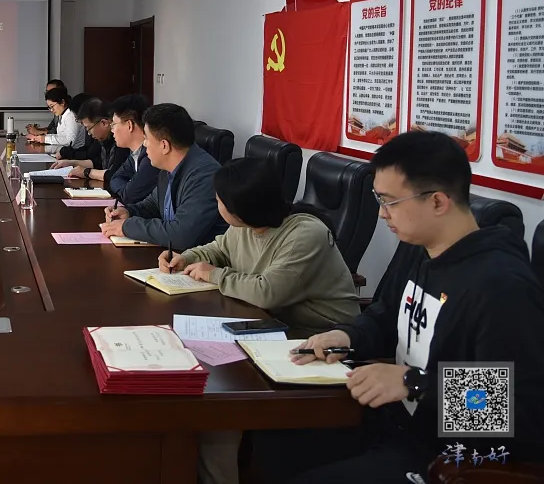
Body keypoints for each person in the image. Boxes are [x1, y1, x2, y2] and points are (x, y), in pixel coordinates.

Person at [257, 131, 544, 484]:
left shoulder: (501, 286)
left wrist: (414, 382)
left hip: (447, 456)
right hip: (392, 424)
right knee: (269, 439)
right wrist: (346, 335)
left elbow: (519, 411)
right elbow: (386, 315)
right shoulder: (419, 248)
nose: (381, 214)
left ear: (438, 202)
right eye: (379, 199)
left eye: (390, 201)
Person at [160, 157, 359, 337]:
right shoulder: (247, 224)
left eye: (219, 200)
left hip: (321, 337)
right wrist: (187, 258)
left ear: (239, 211)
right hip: (269, 322)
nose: (216, 203)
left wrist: (215, 275)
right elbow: (220, 250)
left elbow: (267, 293)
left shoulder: (305, 235)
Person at [100, 103, 225, 250]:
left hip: (200, 260)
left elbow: (181, 235)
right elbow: (153, 205)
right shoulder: (168, 167)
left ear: (164, 146)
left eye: (146, 139)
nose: (144, 145)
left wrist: (128, 227)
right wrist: (129, 212)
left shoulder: (204, 176)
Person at [52, 97, 129, 187]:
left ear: (104, 123)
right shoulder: (104, 139)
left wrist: (87, 172)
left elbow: (115, 174)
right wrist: (71, 163)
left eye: (88, 128)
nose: (88, 133)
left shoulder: (121, 142)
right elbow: (98, 163)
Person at [106, 94, 159, 205]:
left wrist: (126, 190)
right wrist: (126, 189)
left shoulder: (152, 156)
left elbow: (129, 196)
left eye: (113, 124)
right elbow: (115, 178)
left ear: (129, 125)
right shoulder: (135, 153)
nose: (112, 130)